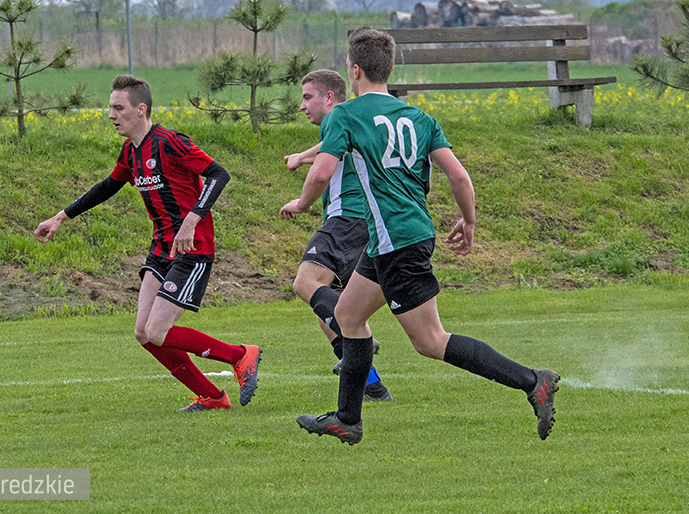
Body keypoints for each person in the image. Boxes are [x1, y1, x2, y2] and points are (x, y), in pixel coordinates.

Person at [282, 28, 559, 445]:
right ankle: (347, 419)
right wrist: (468, 221)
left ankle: (532, 381)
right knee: (348, 317)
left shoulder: (346, 115)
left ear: (354, 70)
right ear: (390, 69)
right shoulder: (419, 118)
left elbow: (321, 172)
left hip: (396, 241)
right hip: (395, 236)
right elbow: (459, 175)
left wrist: (302, 204)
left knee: (430, 341)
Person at [34, 74, 261, 412]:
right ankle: (213, 397)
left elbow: (219, 174)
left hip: (191, 248)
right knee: (144, 333)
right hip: (160, 249)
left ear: (140, 110)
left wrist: (193, 218)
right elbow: (107, 187)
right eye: (110, 108)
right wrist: (60, 217)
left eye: (118, 108)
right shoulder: (131, 152)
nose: (111, 115)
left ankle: (240, 355)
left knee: (158, 330)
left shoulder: (169, 142)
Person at [282, 69, 391, 402]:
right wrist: (302, 156)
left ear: (329, 98)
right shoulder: (350, 122)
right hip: (368, 223)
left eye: (307, 97)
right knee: (327, 314)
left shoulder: (338, 118)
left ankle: (355, 342)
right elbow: (329, 147)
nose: (302, 106)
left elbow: (323, 171)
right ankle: (373, 388)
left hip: (347, 219)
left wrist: (302, 204)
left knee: (305, 283)